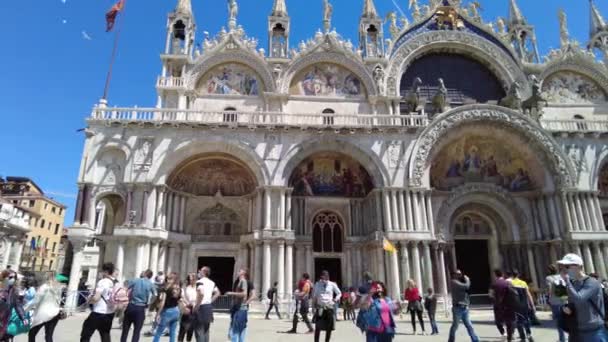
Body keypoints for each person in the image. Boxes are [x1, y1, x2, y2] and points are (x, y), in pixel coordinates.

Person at [558, 253, 608, 342]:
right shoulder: (573, 283)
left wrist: (567, 281)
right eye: (563, 267)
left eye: (567, 266)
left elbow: (579, 298)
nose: (564, 270)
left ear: (578, 266)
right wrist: (567, 307)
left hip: (593, 330)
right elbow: (566, 300)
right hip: (577, 330)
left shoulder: (591, 282)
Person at [80, 262, 117, 342]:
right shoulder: (115, 282)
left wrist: (89, 300)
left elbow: (96, 298)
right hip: (110, 312)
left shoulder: (103, 282)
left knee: (86, 333)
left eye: (102, 271)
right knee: (105, 334)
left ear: (106, 272)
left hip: (99, 312)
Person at [25, 272, 63, 342]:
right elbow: (59, 301)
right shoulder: (58, 288)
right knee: (49, 335)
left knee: (32, 333)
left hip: (43, 314)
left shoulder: (44, 287)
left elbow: (35, 301)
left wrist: (25, 309)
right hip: (55, 313)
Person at [120, 269, 156, 342]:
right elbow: (155, 295)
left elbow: (125, 287)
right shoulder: (150, 284)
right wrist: (150, 302)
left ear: (145, 274)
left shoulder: (136, 280)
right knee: (136, 331)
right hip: (141, 307)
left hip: (131, 305)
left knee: (125, 329)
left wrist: (126, 298)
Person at [448, 270, 480, 342]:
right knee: (455, 326)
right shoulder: (454, 282)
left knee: (469, 325)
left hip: (464, 307)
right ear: (454, 275)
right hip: (457, 308)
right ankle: (451, 340)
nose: (460, 275)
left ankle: (475, 340)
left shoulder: (460, 282)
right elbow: (466, 286)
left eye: (460, 274)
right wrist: (468, 280)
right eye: (458, 274)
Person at [312, 270, 341, 342]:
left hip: (329, 307)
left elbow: (339, 293)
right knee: (318, 327)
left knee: (329, 327)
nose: (326, 278)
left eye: (327, 276)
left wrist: (335, 299)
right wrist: (313, 307)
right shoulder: (317, 284)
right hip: (320, 307)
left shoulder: (332, 284)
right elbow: (314, 296)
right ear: (321, 277)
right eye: (324, 276)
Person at [193, 267, 220, 342]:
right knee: (206, 331)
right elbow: (218, 293)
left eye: (200, 270)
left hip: (201, 307)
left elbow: (201, 293)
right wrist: (210, 301)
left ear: (204, 272)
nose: (199, 271)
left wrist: (197, 305)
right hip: (208, 307)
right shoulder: (212, 282)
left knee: (199, 331)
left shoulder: (200, 282)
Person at [153, 272, 182, 342]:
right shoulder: (179, 289)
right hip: (176, 310)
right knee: (172, 333)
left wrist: (157, 314)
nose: (167, 280)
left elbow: (162, 302)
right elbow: (180, 300)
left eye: (168, 279)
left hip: (167, 311)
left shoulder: (165, 289)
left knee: (158, 332)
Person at [1, 270, 27, 342]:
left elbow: (18, 306)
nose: (12, 279)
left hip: (4, 321)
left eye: (14, 278)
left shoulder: (14, 291)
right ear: (4, 277)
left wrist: (23, 317)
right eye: (10, 277)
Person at [225, 268, 250, 342]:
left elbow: (244, 294)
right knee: (240, 329)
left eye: (240, 271)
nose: (238, 271)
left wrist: (231, 293)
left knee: (235, 330)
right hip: (239, 307)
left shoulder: (243, 281)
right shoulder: (239, 282)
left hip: (241, 308)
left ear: (244, 273)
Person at [510, 270, 535, 342]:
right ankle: (529, 334)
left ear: (512, 275)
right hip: (524, 304)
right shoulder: (523, 283)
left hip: (516, 305)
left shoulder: (510, 283)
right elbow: (528, 294)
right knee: (526, 320)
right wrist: (532, 305)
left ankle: (522, 337)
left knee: (518, 321)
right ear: (518, 275)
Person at [490, 269, 515, 341]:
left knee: (498, 321)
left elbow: (491, 295)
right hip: (508, 305)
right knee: (510, 321)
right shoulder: (508, 283)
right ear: (502, 274)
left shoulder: (494, 284)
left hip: (498, 305)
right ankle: (511, 334)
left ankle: (503, 333)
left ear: (495, 275)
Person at [546, 264, 567, 342]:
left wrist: (548, 298)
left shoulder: (548, 278)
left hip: (555, 302)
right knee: (566, 319)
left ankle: (562, 339)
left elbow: (549, 289)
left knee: (559, 320)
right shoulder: (560, 276)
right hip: (564, 300)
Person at [179, 273, 197, 342]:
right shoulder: (186, 288)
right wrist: (185, 304)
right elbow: (182, 297)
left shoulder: (197, 288)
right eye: (190, 279)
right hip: (187, 307)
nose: (191, 280)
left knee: (191, 328)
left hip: (194, 308)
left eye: (193, 279)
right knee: (183, 327)